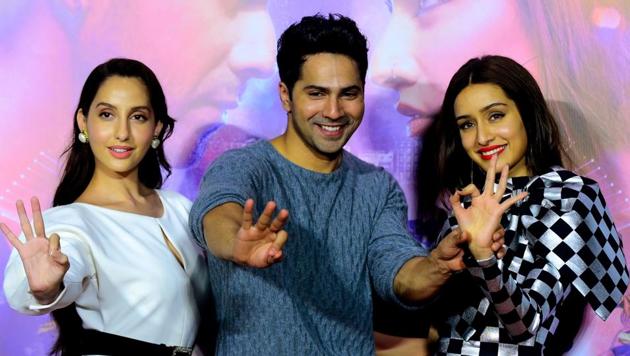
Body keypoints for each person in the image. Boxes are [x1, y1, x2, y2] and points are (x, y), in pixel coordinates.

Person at [189, 14, 517, 354]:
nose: (333, 111)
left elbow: (399, 274)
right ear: (286, 96)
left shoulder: (377, 187)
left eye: (348, 94)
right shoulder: (243, 166)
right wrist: (235, 242)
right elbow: (216, 214)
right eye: (316, 93)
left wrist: (437, 267)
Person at [418, 55, 629, 354]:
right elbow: (438, 322)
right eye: (467, 124)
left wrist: (485, 259)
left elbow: (527, 328)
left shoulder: (568, 196)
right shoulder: (466, 202)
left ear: (527, 113)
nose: (482, 137)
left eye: (495, 116)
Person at [2, 58, 208, 355]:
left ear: (157, 128)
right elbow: (59, 273)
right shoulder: (67, 224)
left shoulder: (181, 209)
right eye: (107, 114)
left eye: (137, 117)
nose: (122, 132)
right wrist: (46, 288)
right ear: (83, 122)